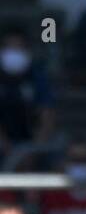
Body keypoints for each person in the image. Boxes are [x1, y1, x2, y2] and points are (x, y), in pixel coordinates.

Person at [0, 26, 56, 172]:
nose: (13, 51)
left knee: (54, 154)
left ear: (27, 50)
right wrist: (8, 150)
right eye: (9, 47)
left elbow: (47, 115)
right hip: (4, 142)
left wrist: (33, 151)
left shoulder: (37, 76)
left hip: (31, 141)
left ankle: (38, 194)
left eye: (18, 47)